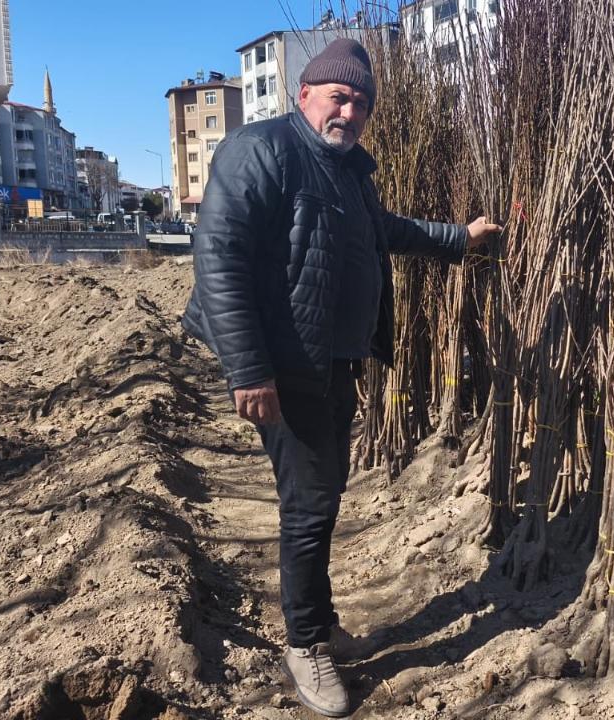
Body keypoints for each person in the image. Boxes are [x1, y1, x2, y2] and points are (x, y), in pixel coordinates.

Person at [181, 38, 501, 718]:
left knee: (322, 498)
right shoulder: (261, 149)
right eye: (338, 96)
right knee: (308, 505)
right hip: (281, 363)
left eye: (360, 102)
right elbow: (219, 257)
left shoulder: (349, 170)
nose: (349, 110)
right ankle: (304, 645)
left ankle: (317, 623)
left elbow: (380, 231)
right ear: (305, 95)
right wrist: (249, 369)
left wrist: (458, 239)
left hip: (330, 357)